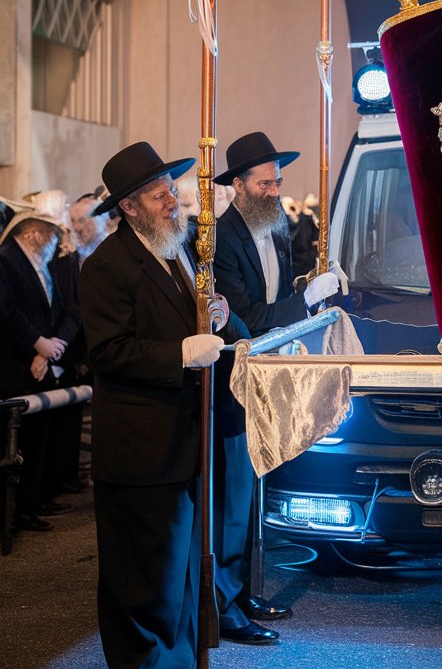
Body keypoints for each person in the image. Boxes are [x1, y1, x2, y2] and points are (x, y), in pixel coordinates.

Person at [79, 141, 236, 669]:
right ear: (128, 207)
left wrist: (212, 316)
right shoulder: (107, 266)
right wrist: (181, 354)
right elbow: (109, 352)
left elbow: (182, 317)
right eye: (158, 194)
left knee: (178, 580)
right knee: (144, 585)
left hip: (182, 446)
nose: (173, 201)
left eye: (170, 189)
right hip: (140, 455)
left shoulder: (175, 250)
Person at [210, 131, 341, 643]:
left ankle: (243, 591)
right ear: (238, 185)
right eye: (264, 183)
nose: (274, 191)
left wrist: (309, 288)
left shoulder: (276, 228)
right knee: (233, 500)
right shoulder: (221, 239)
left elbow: (279, 295)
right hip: (234, 385)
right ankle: (223, 606)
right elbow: (247, 317)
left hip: (269, 380)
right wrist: (304, 302)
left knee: (253, 499)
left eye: (277, 182)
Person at [0, 202, 70, 531]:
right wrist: (37, 344)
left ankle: (30, 505)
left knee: (37, 438)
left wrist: (44, 351)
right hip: (13, 366)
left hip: (36, 363)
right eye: (52, 235)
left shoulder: (37, 261)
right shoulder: (6, 259)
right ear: (33, 234)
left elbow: (51, 309)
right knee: (15, 442)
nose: (56, 243)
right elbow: (7, 311)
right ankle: (13, 513)